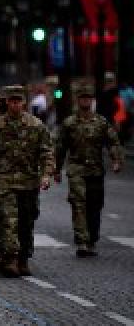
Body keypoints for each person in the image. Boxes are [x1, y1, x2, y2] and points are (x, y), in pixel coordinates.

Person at [0, 85, 54, 277]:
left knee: (26, 222)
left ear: (24, 102)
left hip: (29, 182)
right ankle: (10, 259)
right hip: (3, 182)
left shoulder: (36, 126)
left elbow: (47, 153)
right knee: (8, 221)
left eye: (18, 101)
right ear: (6, 102)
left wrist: (46, 175)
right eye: (11, 101)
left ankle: (23, 258)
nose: (15, 104)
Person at [55, 84, 124, 257]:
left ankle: (92, 239)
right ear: (78, 100)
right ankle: (82, 242)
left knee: (95, 206)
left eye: (88, 98)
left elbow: (112, 142)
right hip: (76, 169)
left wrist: (116, 160)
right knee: (78, 205)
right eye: (82, 98)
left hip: (95, 171)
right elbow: (60, 147)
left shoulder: (101, 122)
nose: (85, 100)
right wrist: (56, 169)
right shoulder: (69, 123)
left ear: (92, 100)